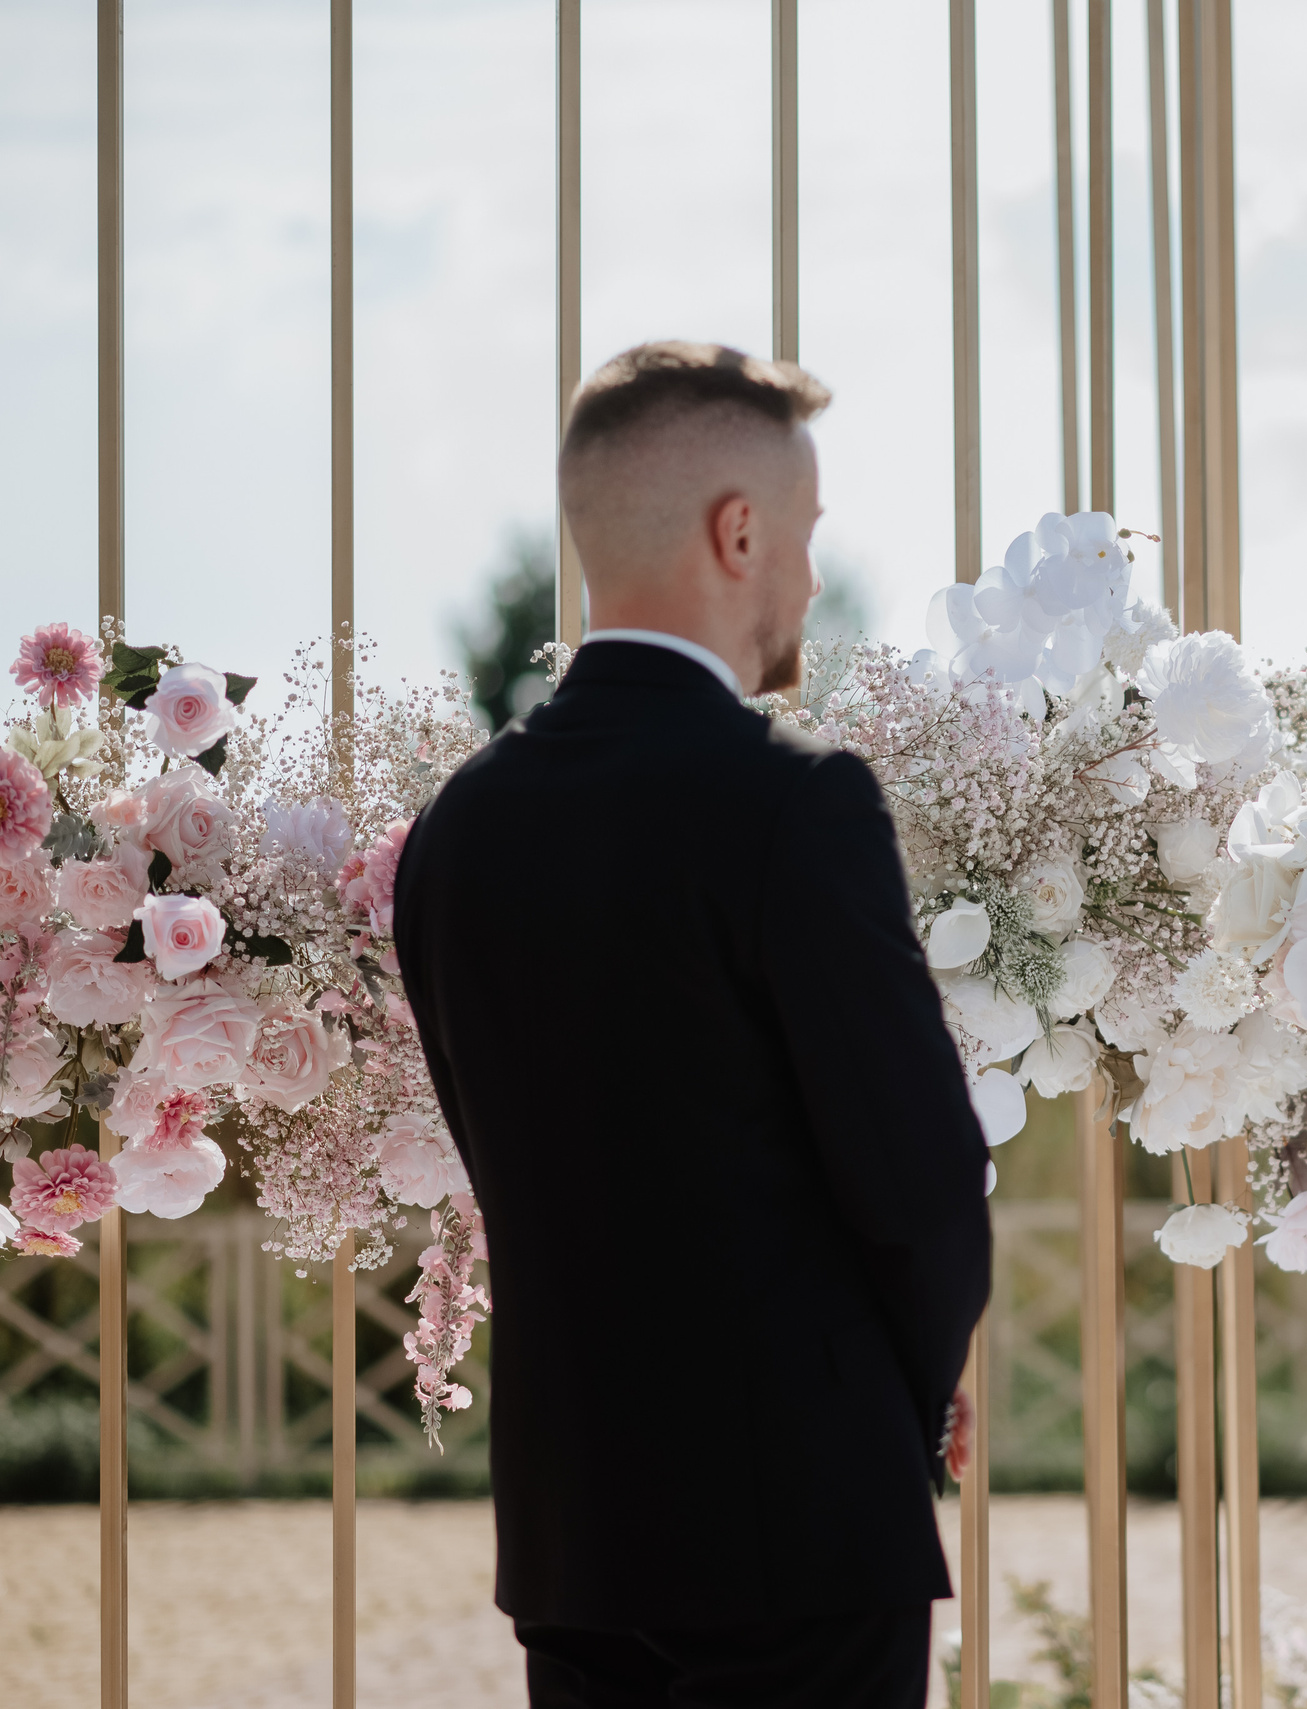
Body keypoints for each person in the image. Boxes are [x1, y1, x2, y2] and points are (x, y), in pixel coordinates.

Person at [394, 341, 991, 1709]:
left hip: (573, 1528)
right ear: (741, 531)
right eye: (809, 536)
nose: (815, 580)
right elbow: (920, 1182)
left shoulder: (457, 828)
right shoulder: (797, 801)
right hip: (799, 1526)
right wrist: (902, 1391)